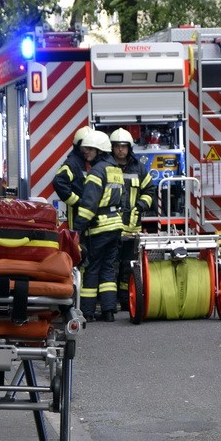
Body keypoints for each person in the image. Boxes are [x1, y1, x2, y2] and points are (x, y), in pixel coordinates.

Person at [71, 130, 124, 321]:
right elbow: (123, 200)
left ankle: (87, 312)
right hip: (115, 226)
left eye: (90, 150)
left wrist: (76, 229)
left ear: (100, 150)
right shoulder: (116, 169)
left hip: (99, 228)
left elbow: (88, 204)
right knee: (108, 268)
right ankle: (109, 311)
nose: (86, 153)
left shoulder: (96, 171)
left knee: (92, 268)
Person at [107, 128, 156, 311]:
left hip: (132, 228)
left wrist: (140, 206)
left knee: (128, 266)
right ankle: (110, 302)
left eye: (124, 146)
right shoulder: (106, 166)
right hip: (111, 227)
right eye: (117, 146)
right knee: (112, 266)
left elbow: (150, 190)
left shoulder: (139, 169)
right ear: (112, 148)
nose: (121, 150)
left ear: (129, 148)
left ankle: (126, 301)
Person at [53, 126, 91, 228]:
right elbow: (59, 181)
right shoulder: (73, 163)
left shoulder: (91, 162)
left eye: (90, 146)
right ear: (78, 146)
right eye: (84, 147)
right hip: (77, 217)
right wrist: (77, 202)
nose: (87, 150)